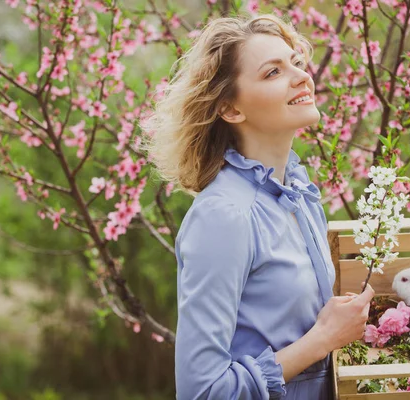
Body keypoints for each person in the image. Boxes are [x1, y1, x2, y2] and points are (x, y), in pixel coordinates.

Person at [141, 12, 375, 400]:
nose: (302, 76)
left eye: (296, 63)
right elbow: (202, 392)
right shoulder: (224, 216)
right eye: (272, 72)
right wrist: (322, 339)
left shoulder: (298, 191)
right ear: (231, 110)